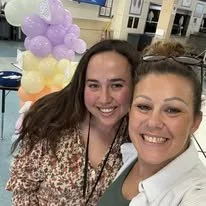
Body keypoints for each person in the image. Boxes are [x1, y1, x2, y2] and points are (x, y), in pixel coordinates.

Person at [6, 39, 138, 205]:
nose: (104, 98)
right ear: (82, 86)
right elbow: (23, 189)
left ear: (135, 85)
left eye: (117, 85)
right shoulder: (51, 123)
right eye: (94, 85)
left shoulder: (139, 137)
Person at [97, 45, 206, 205]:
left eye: (172, 110)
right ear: (129, 110)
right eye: (143, 106)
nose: (154, 122)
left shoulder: (196, 193)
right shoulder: (131, 157)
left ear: (195, 122)